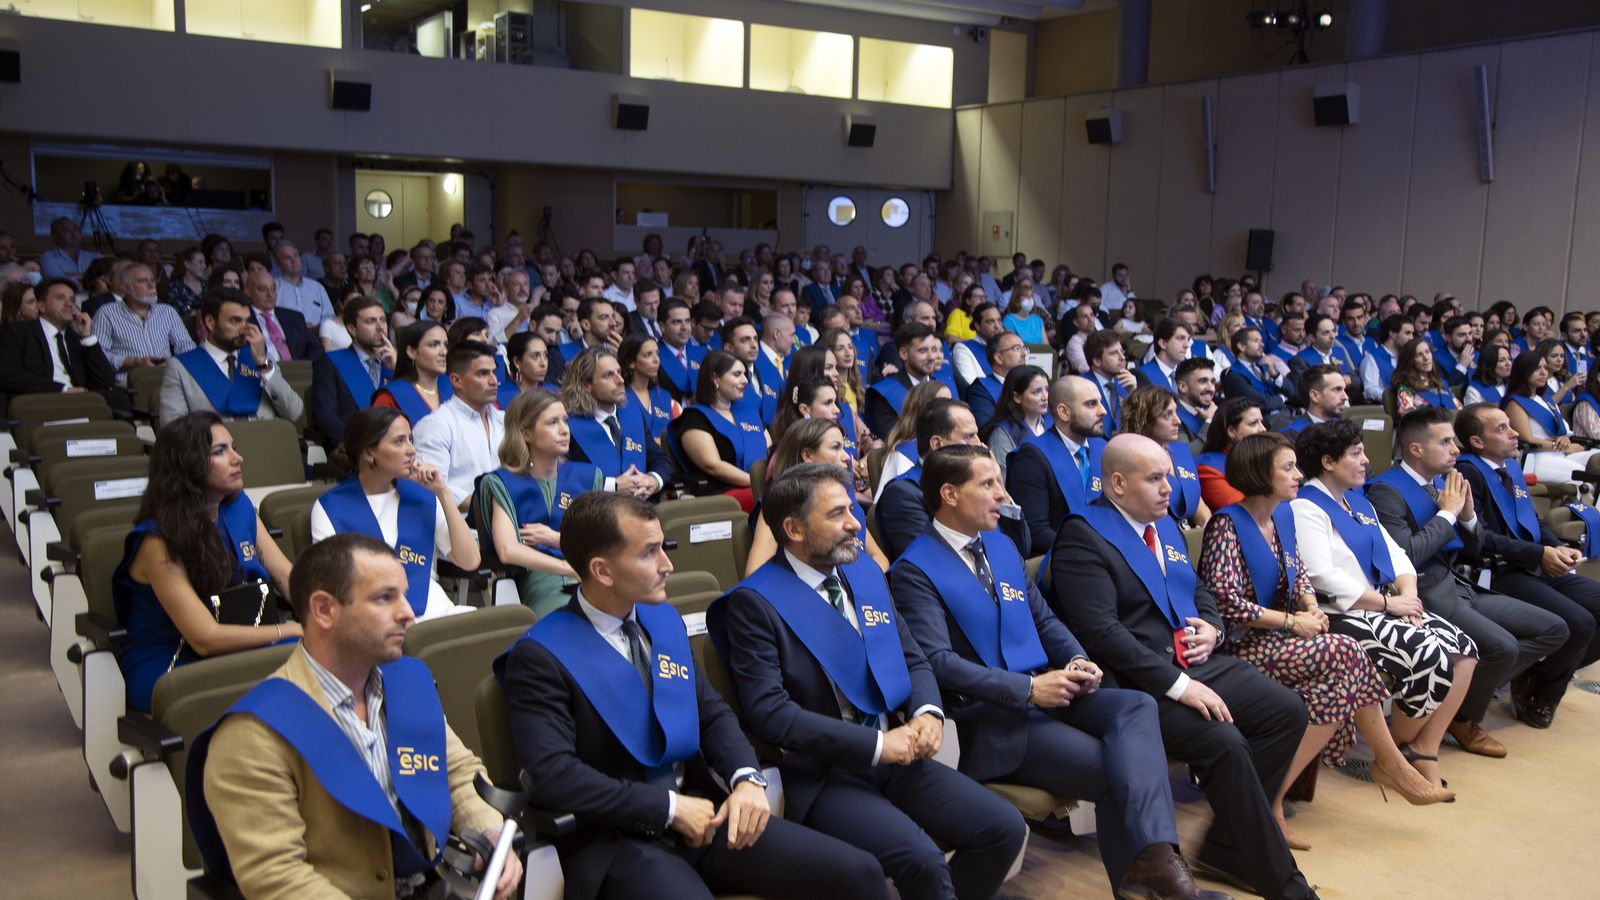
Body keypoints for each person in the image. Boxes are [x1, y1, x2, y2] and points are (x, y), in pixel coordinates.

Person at [496, 492, 885, 900]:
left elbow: (711, 713)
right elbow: (556, 776)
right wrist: (668, 808)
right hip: (620, 842)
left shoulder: (660, 621)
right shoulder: (541, 656)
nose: (668, 564)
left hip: (705, 814)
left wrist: (746, 779)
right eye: (649, 553)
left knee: (858, 873)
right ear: (602, 570)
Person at [893, 445, 1224, 898]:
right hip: (991, 719)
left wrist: (1076, 658)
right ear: (949, 494)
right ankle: (1160, 879)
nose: (1002, 494)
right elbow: (937, 662)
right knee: (1118, 772)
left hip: (1048, 692)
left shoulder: (1000, 545)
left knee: (1137, 706)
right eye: (987, 484)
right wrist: (1029, 690)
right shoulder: (913, 569)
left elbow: (1045, 620)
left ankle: (1157, 869)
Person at [708, 464, 1028, 900]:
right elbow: (770, 713)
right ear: (793, 529)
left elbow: (912, 657)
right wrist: (878, 747)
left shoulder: (862, 573)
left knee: (1003, 828)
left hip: (896, 755)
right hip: (826, 774)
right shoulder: (755, 603)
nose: (856, 523)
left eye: (853, 509)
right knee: (922, 860)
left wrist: (927, 712)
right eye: (837, 514)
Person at [1051, 434, 1316, 900]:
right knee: (1225, 742)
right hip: (1140, 683)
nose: (1167, 488)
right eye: (1153, 479)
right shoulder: (1084, 536)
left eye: (1168, 477)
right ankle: (1286, 887)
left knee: (1287, 711)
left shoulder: (1164, 523)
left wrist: (1212, 627)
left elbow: (1198, 590)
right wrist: (1179, 686)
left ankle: (1228, 846)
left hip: (1193, 658)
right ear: (1115, 483)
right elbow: (1102, 635)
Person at [190, 534, 520, 899]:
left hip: (433, 883)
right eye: (384, 598)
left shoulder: (407, 682)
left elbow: (457, 776)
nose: (408, 612)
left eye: (404, 595)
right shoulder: (253, 734)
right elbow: (277, 878)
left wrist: (490, 834)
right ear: (324, 609)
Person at [1202, 433, 1452, 848]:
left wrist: (1310, 606)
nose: (1299, 474)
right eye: (1288, 468)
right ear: (1260, 474)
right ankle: (1386, 765)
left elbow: (1298, 572)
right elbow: (1227, 604)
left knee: (1342, 668)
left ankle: (1275, 796)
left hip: (1278, 637)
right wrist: (1291, 621)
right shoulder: (1226, 525)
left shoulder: (1281, 517)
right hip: (1240, 646)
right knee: (1346, 654)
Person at [1290, 420, 1478, 791]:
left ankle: (1423, 748)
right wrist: (1390, 603)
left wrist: (1409, 598)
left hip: (1382, 605)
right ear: (1328, 461)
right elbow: (1321, 576)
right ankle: (1394, 754)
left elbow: (1396, 555)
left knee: (1464, 650)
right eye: (1356, 453)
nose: (1365, 461)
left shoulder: (1358, 501)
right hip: (1338, 613)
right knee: (1427, 654)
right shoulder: (1306, 507)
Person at [1370, 408, 1569, 755]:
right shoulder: (1387, 491)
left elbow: (1472, 550)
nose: (1455, 449)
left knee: (1554, 629)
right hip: (1426, 593)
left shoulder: (1440, 485)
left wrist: (1468, 516)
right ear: (1416, 449)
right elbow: (1405, 555)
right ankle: (1462, 719)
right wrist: (1448, 513)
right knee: (1502, 647)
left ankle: (1453, 706)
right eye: (1445, 441)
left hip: (1459, 584)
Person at [115, 413, 300, 711]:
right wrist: (289, 630)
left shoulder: (239, 506)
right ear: (187, 465)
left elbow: (285, 577)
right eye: (220, 452)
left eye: (233, 447)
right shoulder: (157, 542)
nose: (238, 458)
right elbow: (205, 639)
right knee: (299, 660)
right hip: (173, 661)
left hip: (240, 637)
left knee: (325, 656)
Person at [1454, 403, 1600, 728]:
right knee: (1579, 622)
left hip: (1533, 564)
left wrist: (1556, 547)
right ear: (1477, 441)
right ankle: (1544, 696)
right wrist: (1539, 555)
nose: (1515, 433)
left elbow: (1530, 519)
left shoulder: (1509, 466)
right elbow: (1481, 539)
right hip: (1498, 571)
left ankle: (1536, 674)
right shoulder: (1468, 473)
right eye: (1502, 428)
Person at [312, 406, 478, 620]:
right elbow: (332, 586)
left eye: (410, 440)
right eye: (399, 441)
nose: (411, 450)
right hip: (375, 622)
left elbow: (470, 561)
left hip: (437, 614)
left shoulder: (422, 497)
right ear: (369, 452)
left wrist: (443, 493)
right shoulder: (331, 507)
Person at [474, 391, 596, 616]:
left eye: (564, 421)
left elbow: (603, 542)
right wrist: (566, 568)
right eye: (552, 422)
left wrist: (555, 539)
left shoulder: (587, 476)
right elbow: (508, 550)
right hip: (541, 579)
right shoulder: (502, 483)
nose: (564, 429)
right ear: (526, 433)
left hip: (592, 573)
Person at [746, 418, 890, 573]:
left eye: (844, 447)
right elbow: (755, 575)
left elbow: (879, 558)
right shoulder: (781, 507)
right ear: (808, 455)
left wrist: (858, 589)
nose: (847, 457)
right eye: (836, 448)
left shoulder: (844, 500)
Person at [160, 289, 302, 428]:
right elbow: (172, 429)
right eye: (235, 321)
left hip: (266, 446)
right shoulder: (181, 367)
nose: (244, 329)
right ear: (210, 322)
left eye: (247, 321)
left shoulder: (261, 360)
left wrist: (262, 363)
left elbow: (294, 412)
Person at [560, 344, 671, 500]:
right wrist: (613, 486)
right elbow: (562, 476)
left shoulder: (633, 415)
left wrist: (652, 481)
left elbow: (660, 460)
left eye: (619, 372)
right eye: (608, 375)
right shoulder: (567, 426)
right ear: (586, 385)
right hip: (597, 514)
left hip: (643, 508)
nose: (620, 380)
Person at [412, 341, 506, 510]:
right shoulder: (435, 425)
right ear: (456, 381)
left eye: (494, 372)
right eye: (483, 374)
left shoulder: (505, 420)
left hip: (508, 521)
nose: (494, 381)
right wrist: (492, 506)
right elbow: (431, 488)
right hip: (458, 527)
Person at [0, 277, 117, 411]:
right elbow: (6, 374)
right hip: (40, 402)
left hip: (80, 402)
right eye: (60, 298)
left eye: (72, 300)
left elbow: (106, 382)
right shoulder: (17, 331)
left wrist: (87, 337)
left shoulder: (75, 338)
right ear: (41, 306)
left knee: (117, 397)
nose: (69, 304)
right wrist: (61, 389)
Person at [673, 350, 770, 509]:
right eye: (737, 374)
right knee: (779, 499)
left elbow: (768, 450)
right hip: (719, 494)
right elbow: (713, 466)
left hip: (757, 487)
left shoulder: (749, 412)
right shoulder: (695, 418)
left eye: (745, 374)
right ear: (715, 378)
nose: (745, 380)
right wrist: (759, 483)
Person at [1500, 348, 1600, 486]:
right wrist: (1565, 447)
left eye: (1545, 368)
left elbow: (1564, 432)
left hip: (1561, 454)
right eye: (1537, 368)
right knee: (1583, 474)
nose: (1543, 372)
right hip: (1536, 459)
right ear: (1523, 371)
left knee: (1597, 459)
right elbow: (1529, 440)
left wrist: (1565, 440)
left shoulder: (1544, 400)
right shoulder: (1515, 403)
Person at [309, 296, 396, 447]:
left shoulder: (393, 364)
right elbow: (326, 417)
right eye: (370, 321)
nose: (380, 327)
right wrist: (359, 448)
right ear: (352, 328)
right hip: (354, 450)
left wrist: (398, 369)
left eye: (382, 320)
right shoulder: (329, 362)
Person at [1121, 386, 1211, 529]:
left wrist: (1207, 528)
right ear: (1145, 419)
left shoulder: (1180, 451)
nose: (1178, 421)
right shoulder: (1132, 460)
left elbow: (1196, 501)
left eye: (1176, 413)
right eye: (1167, 415)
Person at [92, 263, 196, 384]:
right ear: (126, 287)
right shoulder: (107, 313)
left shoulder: (167, 311)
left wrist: (173, 362)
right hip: (130, 384)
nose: (151, 285)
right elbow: (99, 356)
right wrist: (135, 362)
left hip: (167, 379)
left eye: (153, 280)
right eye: (142, 281)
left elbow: (187, 346)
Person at [864, 322, 948, 439]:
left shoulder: (946, 385)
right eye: (923, 351)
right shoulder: (885, 393)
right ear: (903, 353)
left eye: (933, 349)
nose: (932, 357)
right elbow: (891, 442)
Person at [872, 380, 952, 497]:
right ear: (924, 410)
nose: (951, 409)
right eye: (943, 404)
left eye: (951, 402)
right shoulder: (902, 456)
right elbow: (886, 501)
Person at [978, 364, 1048, 483]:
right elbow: (1001, 481)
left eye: (1047, 389)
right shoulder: (1002, 433)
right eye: (1037, 392)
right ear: (1017, 397)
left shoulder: (1049, 423)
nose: (1045, 397)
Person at [373, 321, 453, 423]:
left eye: (446, 345)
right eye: (434, 345)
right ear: (411, 352)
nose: (444, 352)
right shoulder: (391, 396)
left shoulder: (453, 386)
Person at [1196, 398, 1267, 511]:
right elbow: (1245, 509)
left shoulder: (1264, 459)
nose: (1263, 429)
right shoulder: (1208, 467)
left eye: (1261, 422)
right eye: (1253, 423)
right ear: (1231, 431)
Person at [243, 269, 319, 363]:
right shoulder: (242, 320)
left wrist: (301, 369)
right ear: (248, 292)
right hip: (261, 372)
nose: (270, 294)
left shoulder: (294, 317)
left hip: (299, 373)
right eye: (263, 289)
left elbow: (317, 349)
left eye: (273, 289)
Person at [963, 328, 1027, 428]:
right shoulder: (980, 390)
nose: (1024, 354)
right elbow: (987, 429)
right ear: (999, 358)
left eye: (1024, 348)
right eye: (1017, 348)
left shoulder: (1028, 385)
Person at [1220, 327, 1288, 413]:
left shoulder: (1263, 366)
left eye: (1261, 341)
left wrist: (1274, 374)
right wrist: (1282, 398)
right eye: (1256, 341)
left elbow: (1292, 392)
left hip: (1282, 415)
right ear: (1241, 346)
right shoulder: (1232, 375)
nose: (1262, 344)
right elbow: (1263, 403)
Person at [1085, 330, 1135, 437]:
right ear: (1097, 361)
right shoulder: (1081, 386)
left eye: (1122, 352)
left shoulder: (1126, 383)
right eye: (1113, 353)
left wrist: (1134, 393)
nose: (1122, 357)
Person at [1391, 338, 1460, 415]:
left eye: (1427, 352)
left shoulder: (1441, 382)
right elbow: (1407, 415)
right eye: (1419, 355)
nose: (1426, 358)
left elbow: (1459, 408)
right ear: (1410, 361)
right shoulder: (1405, 386)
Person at [1282, 364, 1348, 437]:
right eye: (1337, 390)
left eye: (1344, 390)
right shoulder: (1294, 433)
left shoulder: (1345, 428)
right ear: (1314, 396)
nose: (1345, 397)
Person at [1134, 319, 1191, 393]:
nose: (1187, 345)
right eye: (1181, 338)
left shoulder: (1189, 373)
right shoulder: (1142, 376)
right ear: (1163, 343)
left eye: (1188, 339)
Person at [1174, 357, 1218, 444]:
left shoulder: (1216, 411)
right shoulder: (1172, 417)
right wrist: (1209, 422)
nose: (1211, 388)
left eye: (1212, 382)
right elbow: (1187, 455)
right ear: (1183, 387)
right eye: (1203, 381)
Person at [1465, 342, 1512, 407]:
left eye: (1509, 359)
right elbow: (1472, 416)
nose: (1508, 363)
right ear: (1489, 364)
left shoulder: (1511, 386)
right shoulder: (1474, 390)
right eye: (1502, 360)